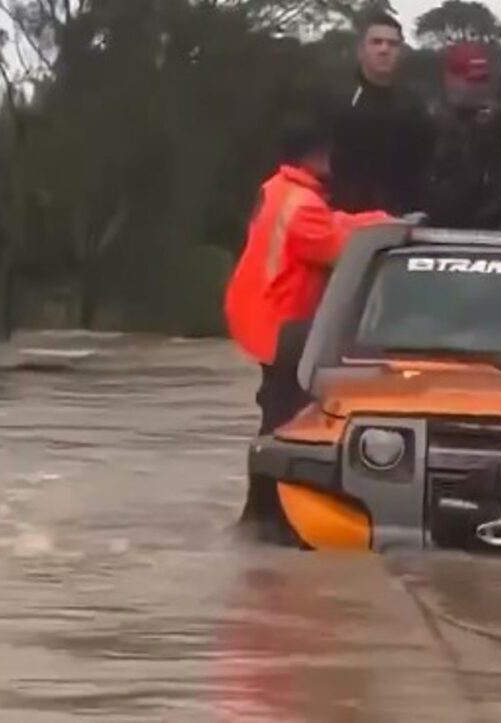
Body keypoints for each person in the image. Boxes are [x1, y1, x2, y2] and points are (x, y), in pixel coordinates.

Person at [224, 116, 390, 526]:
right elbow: (339, 248)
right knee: (285, 423)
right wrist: (386, 231)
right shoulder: (302, 207)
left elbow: (334, 225)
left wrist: (380, 220)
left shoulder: (281, 192)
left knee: (277, 417)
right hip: (284, 324)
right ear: (315, 155)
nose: (331, 161)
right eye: (327, 153)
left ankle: (262, 512)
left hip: (265, 317)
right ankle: (269, 514)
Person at [330, 12, 435, 215]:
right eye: (376, 42)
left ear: (401, 52)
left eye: (392, 44)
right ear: (361, 50)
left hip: (399, 221)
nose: (384, 50)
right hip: (347, 222)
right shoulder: (339, 100)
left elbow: (424, 166)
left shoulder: (414, 107)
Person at [424, 42, 501, 229]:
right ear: (449, 79)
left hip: (489, 231)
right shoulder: (427, 124)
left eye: (483, 80)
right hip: (437, 230)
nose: (478, 88)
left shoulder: (496, 125)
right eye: (471, 80)